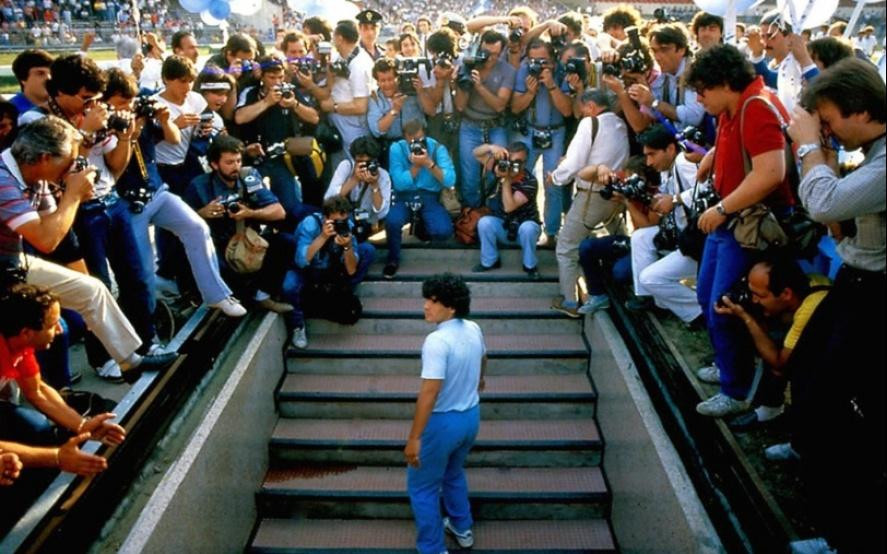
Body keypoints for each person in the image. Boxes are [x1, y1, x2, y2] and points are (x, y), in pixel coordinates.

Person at [786, 57, 885, 553]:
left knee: (844, 410)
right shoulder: (873, 151)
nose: (825, 129)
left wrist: (808, 147)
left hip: (873, 295)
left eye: (828, 119)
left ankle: (847, 536)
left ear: (859, 110)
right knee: (806, 369)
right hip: (855, 281)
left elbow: (823, 204)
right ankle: (810, 448)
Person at [0, 116, 176, 384]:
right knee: (47, 333)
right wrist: (72, 195)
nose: (75, 167)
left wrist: (70, 195)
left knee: (92, 290)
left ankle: (130, 361)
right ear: (46, 158)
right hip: (6, 270)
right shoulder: (3, 181)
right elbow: (45, 240)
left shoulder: (36, 176)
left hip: (12, 263)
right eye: (70, 161)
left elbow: (56, 233)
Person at [685, 44, 795, 418]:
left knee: (725, 305)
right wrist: (715, 154)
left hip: (745, 223)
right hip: (730, 220)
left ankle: (737, 389)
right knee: (707, 296)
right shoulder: (734, 107)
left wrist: (722, 207)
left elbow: (771, 172)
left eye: (703, 89)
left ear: (726, 83)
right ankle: (729, 364)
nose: (699, 98)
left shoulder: (757, 107)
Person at [103, 68, 246, 319]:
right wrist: (127, 136)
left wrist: (165, 119)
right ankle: (146, 331)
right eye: (121, 103)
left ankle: (216, 295)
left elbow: (171, 138)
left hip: (157, 191)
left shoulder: (138, 114)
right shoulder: (103, 125)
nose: (127, 108)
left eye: (131, 101)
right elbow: (115, 167)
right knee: (143, 268)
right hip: (129, 203)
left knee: (197, 228)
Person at [0, 284, 121, 531]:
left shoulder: (19, 343)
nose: (60, 328)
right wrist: (55, 458)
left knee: (38, 430)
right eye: (52, 324)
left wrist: (82, 426)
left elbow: (38, 391)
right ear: (26, 332)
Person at [405, 273, 485, 554]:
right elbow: (484, 358)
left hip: (442, 423)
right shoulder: (473, 328)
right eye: (427, 299)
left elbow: (429, 393)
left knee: (422, 488)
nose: (426, 306)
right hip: (470, 417)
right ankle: (462, 527)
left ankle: (432, 548)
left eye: (434, 301)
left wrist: (414, 437)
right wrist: (479, 381)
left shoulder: (436, 341)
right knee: (453, 472)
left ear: (451, 307)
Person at [713, 257, 829, 446]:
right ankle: (770, 409)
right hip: (820, 344)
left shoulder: (812, 308)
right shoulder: (806, 284)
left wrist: (747, 317)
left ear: (786, 293)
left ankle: (802, 443)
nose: (754, 300)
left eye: (760, 295)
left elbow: (779, 362)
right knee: (770, 337)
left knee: (777, 353)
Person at [183, 135, 296, 317]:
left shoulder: (248, 176)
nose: (235, 166)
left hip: (250, 240)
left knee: (286, 242)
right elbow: (179, 226)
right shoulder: (199, 186)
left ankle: (263, 295)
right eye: (229, 162)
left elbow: (279, 211)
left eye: (238, 160)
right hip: (218, 247)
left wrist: (250, 213)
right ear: (214, 164)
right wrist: (203, 214)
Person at [549, 89, 629, 317]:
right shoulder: (619, 123)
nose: (582, 112)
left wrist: (556, 177)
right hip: (615, 195)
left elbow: (574, 162)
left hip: (591, 194)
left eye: (584, 108)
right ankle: (616, 287)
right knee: (620, 241)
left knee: (566, 246)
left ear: (591, 106)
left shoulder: (589, 124)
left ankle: (569, 302)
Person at [629, 124, 703, 325]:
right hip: (681, 234)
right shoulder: (665, 169)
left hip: (700, 244)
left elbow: (707, 189)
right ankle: (651, 301)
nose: (649, 161)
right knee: (640, 238)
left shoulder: (683, 163)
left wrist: (676, 199)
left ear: (670, 149)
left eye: (652, 154)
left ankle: (699, 311)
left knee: (650, 277)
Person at [234, 54, 319, 227]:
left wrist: (294, 105)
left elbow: (314, 118)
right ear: (262, 77)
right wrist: (267, 102)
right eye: (271, 78)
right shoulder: (251, 92)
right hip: (255, 158)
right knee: (257, 204)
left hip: (284, 161)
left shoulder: (290, 90)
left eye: (280, 77)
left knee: (289, 206)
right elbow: (239, 118)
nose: (276, 82)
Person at [285, 196, 375, 350]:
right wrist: (323, 236)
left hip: (331, 271)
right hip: (307, 270)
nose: (340, 225)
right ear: (325, 217)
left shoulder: (348, 226)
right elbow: (301, 260)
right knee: (289, 285)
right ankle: (298, 326)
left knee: (367, 250)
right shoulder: (310, 224)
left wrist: (347, 247)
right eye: (336, 222)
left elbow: (351, 270)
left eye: (343, 221)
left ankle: (344, 292)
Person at [575, 157, 661, 314]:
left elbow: (648, 229)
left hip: (650, 247)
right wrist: (600, 168)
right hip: (633, 242)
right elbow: (582, 175)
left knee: (620, 272)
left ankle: (644, 296)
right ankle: (598, 296)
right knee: (587, 247)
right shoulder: (627, 179)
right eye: (628, 180)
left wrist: (627, 202)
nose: (629, 184)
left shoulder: (657, 194)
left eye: (634, 181)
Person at [511, 39, 572, 241]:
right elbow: (515, 108)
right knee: (519, 177)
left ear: (553, 60)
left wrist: (552, 85)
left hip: (555, 132)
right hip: (529, 130)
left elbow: (567, 110)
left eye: (543, 61)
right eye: (533, 60)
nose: (537, 65)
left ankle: (552, 232)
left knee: (552, 183)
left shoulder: (562, 72)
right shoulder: (524, 70)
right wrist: (530, 92)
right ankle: (523, 224)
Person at [384, 119, 456, 279]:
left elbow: (450, 180)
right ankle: (392, 259)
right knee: (392, 221)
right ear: (405, 138)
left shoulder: (437, 148)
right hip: (404, 196)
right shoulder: (397, 149)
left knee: (443, 231)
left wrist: (429, 163)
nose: (418, 144)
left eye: (420, 140)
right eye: (413, 142)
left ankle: (421, 225)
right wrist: (416, 166)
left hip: (428, 196)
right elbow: (399, 183)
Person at [454, 30, 516, 208]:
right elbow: (459, 105)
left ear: (503, 52)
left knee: (497, 172)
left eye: (496, 55)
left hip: (495, 125)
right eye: (487, 53)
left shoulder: (507, 70)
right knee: (469, 177)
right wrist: (462, 83)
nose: (490, 58)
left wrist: (479, 86)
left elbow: (499, 105)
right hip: (469, 125)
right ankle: (471, 217)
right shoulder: (469, 64)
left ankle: (492, 213)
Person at [472, 142, 541, 279]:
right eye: (510, 161)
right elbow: (476, 154)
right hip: (505, 226)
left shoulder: (530, 181)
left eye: (518, 162)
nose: (513, 166)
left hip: (524, 230)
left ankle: (530, 266)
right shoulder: (501, 167)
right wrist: (492, 148)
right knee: (484, 222)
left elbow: (510, 207)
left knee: (528, 228)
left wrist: (506, 180)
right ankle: (489, 261)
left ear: (525, 163)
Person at [316, 20, 375, 160]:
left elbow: (361, 106)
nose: (332, 39)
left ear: (340, 38)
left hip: (353, 126)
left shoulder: (360, 64)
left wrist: (333, 107)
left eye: (333, 36)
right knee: (339, 171)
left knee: (354, 168)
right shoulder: (340, 57)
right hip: (337, 124)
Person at [324, 136, 391, 233]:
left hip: (367, 221)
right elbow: (328, 200)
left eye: (368, 163)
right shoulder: (346, 166)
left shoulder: (383, 175)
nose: (364, 167)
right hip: (344, 218)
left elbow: (381, 213)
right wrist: (354, 179)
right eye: (360, 162)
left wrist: (374, 185)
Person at [367, 58, 425, 157]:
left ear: (397, 78)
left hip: (416, 142)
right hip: (391, 147)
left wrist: (421, 92)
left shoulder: (410, 91)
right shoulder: (375, 99)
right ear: (377, 82)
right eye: (382, 80)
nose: (387, 84)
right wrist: (395, 110)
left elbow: (430, 111)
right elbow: (377, 130)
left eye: (390, 79)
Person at [10, 49, 53, 117]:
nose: (49, 78)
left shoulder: (64, 107)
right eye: (40, 73)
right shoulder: (10, 112)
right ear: (23, 79)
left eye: (51, 73)